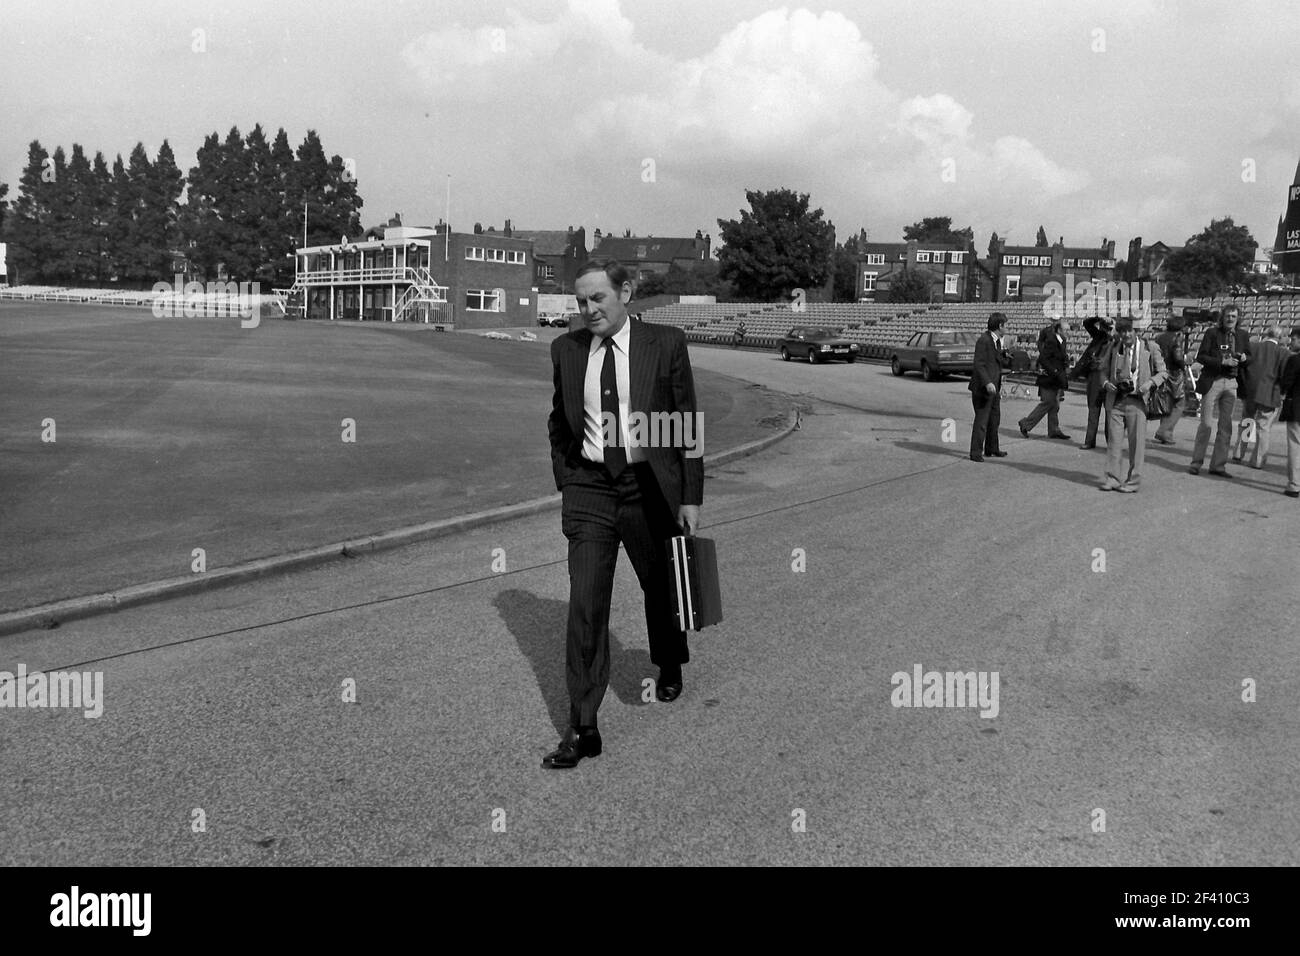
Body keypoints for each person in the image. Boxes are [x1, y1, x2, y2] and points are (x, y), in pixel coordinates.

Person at [543, 260, 703, 769]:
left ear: (626, 293)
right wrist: (567, 479)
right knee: (585, 605)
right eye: (580, 302)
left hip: (648, 488)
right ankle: (583, 725)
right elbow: (558, 421)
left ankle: (670, 660)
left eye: (597, 299)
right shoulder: (565, 350)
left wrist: (691, 496)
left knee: (663, 587)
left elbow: (685, 422)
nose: (587, 310)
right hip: (590, 490)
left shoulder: (666, 344)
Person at [1098, 317, 1166, 493]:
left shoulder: (1149, 347)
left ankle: (1133, 481)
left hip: (1137, 401)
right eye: (1122, 331)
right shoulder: (1113, 347)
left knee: (1136, 445)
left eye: (1129, 331)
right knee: (1114, 442)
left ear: (1135, 331)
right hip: (1117, 400)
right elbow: (1102, 371)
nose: (1126, 334)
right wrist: (1106, 384)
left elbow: (1163, 373)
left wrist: (1150, 383)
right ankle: (1112, 478)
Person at [1189, 305, 1251, 477]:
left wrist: (1245, 358)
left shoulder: (1243, 335)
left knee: (1226, 426)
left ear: (1238, 318)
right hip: (1213, 382)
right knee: (1206, 424)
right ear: (1222, 317)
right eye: (1228, 316)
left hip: (1232, 383)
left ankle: (1218, 466)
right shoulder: (1211, 333)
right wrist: (1222, 362)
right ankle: (1196, 463)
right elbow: (1201, 356)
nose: (1230, 319)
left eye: (1234, 316)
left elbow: (1249, 356)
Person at [1231, 323, 1288, 469]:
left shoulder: (1252, 347)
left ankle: (1238, 452)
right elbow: (1283, 376)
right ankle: (1257, 460)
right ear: (1280, 337)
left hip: (1250, 391)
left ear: (1267, 334)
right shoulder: (1283, 353)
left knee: (1247, 422)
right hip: (1269, 394)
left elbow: (1242, 367)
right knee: (1264, 428)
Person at [968, 312, 1013, 462]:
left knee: (995, 419)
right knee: (982, 421)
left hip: (995, 387)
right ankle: (975, 452)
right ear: (1000, 326)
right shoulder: (984, 340)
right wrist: (987, 382)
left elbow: (997, 362)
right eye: (1006, 325)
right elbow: (979, 364)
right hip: (983, 388)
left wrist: (1005, 356)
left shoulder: (998, 341)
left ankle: (992, 448)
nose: (1007, 328)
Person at [1018, 317, 1072, 439]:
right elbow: (1043, 358)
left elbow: (1061, 357)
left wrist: (1066, 363)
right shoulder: (1051, 341)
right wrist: (1054, 371)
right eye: (1066, 330)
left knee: (1055, 404)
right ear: (1059, 330)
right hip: (1049, 378)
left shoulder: (1062, 341)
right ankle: (1026, 423)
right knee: (1048, 402)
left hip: (1057, 378)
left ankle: (1054, 429)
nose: (1068, 333)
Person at [1076, 315, 1116, 449]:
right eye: (1106, 327)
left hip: (1110, 377)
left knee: (1110, 413)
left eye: (1110, 328)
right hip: (1095, 375)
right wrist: (1099, 318)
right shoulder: (1099, 336)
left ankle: (1111, 443)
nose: (1108, 330)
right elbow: (1087, 323)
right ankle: (1089, 441)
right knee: (1093, 409)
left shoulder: (1118, 341)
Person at [1152, 317, 1188, 445]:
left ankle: (1167, 435)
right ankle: (1163, 431)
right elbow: (1177, 357)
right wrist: (1185, 365)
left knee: (1166, 404)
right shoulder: (1177, 337)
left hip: (1160, 372)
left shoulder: (1159, 337)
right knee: (1179, 404)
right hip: (1174, 374)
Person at [1279, 326, 1300, 498]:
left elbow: (1286, 383)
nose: (1290, 342)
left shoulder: (1295, 360)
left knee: (1295, 445)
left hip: (1297, 408)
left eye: (1293, 339)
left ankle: (1294, 484)